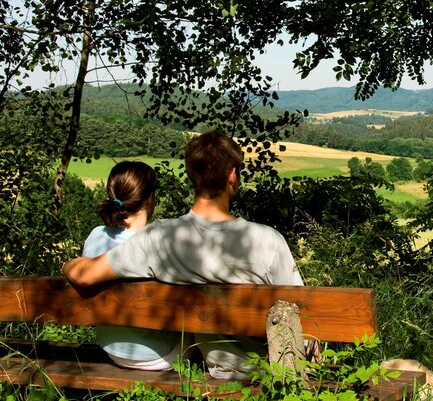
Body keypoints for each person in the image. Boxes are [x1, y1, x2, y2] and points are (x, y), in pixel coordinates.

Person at [62, 131, 303, 379]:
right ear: (232, 175)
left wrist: (68, 264)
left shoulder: (161, 238)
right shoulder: (268, 241)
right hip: (275, 372)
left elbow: (85, 274)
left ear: (192, 176)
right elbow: (302, 314)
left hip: (221, 371)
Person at [82, 161, 186, 371]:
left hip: (112, 350)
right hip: (161, 356)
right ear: (150, 198)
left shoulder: (95, 236)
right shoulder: (159, 244)